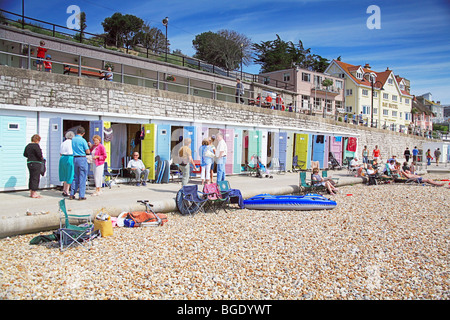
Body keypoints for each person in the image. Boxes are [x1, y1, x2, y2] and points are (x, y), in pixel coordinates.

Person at [69, 127, 90, 200]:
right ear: (83, 133)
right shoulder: (83, 140)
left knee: (75, 177)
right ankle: (81, 195)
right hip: (82, 158)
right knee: (82, 177)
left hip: (75, 158)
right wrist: (89, 146)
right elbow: (87, 152)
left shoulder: (73, 139)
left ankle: (72, 194)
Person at [23, 134, 44, 198]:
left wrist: (30, 157)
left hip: (29, 163)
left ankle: (31, 192)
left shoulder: (28, 146)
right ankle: (34, 192)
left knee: (31, 177)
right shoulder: (36, 146)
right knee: (35, 178)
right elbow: (39, 154)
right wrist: (41, 158)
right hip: (36, 163)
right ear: (37, 140)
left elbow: (25, 154)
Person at [59, 131, 75, 197]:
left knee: (64, 173)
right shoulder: (72, 143)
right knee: (70, 174)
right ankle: (67, 190)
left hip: (62, 158)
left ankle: (64, 190)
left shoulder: (63, 143)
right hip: (70, 157)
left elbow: (60, 152)